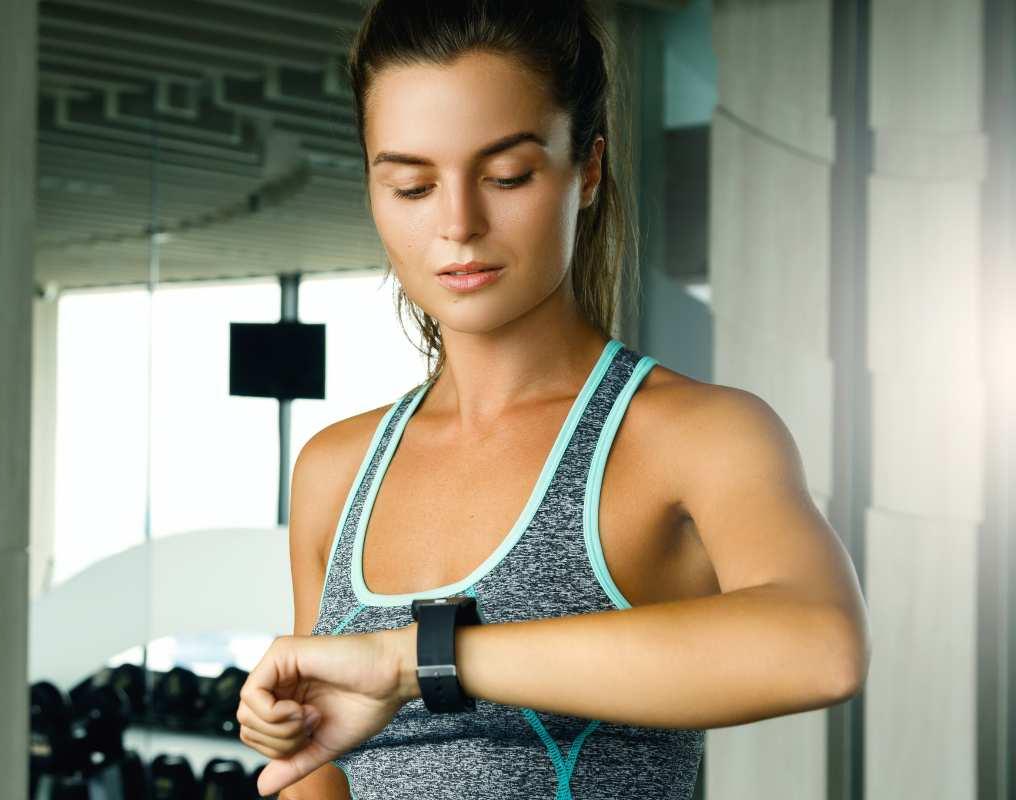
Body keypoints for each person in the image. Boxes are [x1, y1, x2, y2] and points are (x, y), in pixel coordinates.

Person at [236, 1, 871, 798]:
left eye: (507, 175)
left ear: (589, 170)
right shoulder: (335, 469)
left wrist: (413, 662)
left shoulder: (691, 435)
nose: (459, 224)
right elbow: (316, 772)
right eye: (411, 185)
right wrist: (295, 733)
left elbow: (820, 646)